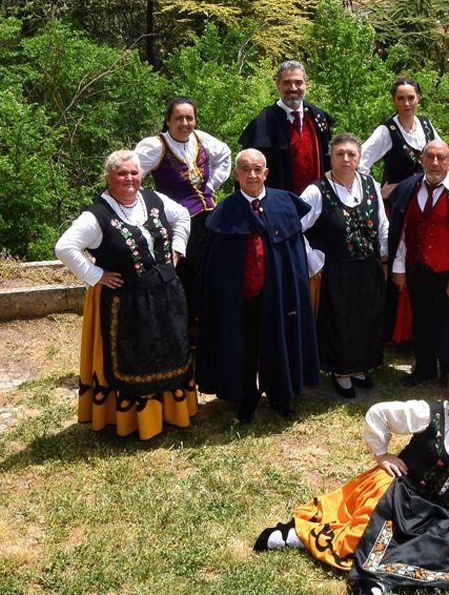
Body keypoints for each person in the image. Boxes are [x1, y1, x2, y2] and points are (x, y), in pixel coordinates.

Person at [255, 369, 449, 592]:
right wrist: (382, 455)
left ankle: (380, 581)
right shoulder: (428, 413)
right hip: (400, 488)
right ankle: (297, 537)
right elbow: (379, 414)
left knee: (440, 550)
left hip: (441, 509)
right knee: (363, 535)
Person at [55, 150, 194, 440]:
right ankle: (137, 422)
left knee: (171, 351)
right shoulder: (97, 215)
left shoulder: (153, 199)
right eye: (121, 174)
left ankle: (172, 413)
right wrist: (96, 276)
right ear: (109, 177)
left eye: (133, 173)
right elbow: (64, 247)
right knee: (135, 360)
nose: (129, 179)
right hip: (126, 302)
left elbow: (182, 215)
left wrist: (177, 248)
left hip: (166, 297)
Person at [199, 148, 319, 423]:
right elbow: (217, 264)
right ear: (237, 174)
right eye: (245, 169)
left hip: (280, 293)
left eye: (257, 169)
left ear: (266, 172)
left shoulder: (285, 203)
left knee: (281, 342)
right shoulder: (225, 210)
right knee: (244, 346)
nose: (252, 175)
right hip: (243, 297)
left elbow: (295, 253)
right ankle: (246, 397)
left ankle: (281, 396)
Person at [134, 96, 232, 350]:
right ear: (168, 120)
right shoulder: (156, 146)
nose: (185, 123)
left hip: (209, 218)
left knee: (209, 273)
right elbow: (132, 176)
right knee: (185, 276)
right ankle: (184, 334)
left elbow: (225, 155)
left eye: (189, 118)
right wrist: (152, 204)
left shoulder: (201, 139)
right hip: (178, 223)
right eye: (179, 118)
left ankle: (208, 330)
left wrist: (211, 185)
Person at [389, 140, 449, 386]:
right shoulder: (408, 188)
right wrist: (398, 267)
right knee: (421, 320)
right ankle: (424, 368)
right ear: (422, 159)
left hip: (447, 271)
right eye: (430, 157)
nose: (435, 163)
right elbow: (401, 231)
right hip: (416, 267)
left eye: (441, 158)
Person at [300, 133, 389, 399]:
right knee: (341, 320)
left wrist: (384, 256)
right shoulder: (316, 190)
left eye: (351, 154)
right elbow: (295, 227)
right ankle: (341, 372)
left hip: (368, 266)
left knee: (366, 317)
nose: (346, 159)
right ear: (331, 157)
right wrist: (314, 259)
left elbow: (382, 224)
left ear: (359, 157)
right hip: (336, 269)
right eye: (340, 154)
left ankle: (361, 367)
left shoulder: (370, 184)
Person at [239, 60, 335, 194]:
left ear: (306, 84)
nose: (293, 88)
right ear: (278, 85)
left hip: (318, 203)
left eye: (298, 82)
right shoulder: (262, 124)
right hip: (280, 205)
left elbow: (330, 163)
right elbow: (246, 171)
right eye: (287, 83)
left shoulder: (318, 118)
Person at [359, 76, 441, 199]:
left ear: (419, 98)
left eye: (411, 98)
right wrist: (377, 190)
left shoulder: (426, 125)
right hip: (398, 204)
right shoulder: (386, 131)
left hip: (427, 200)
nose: (406, 103)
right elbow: (358, 162)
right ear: (394, 100)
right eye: (401, 98)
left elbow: (443, 156)